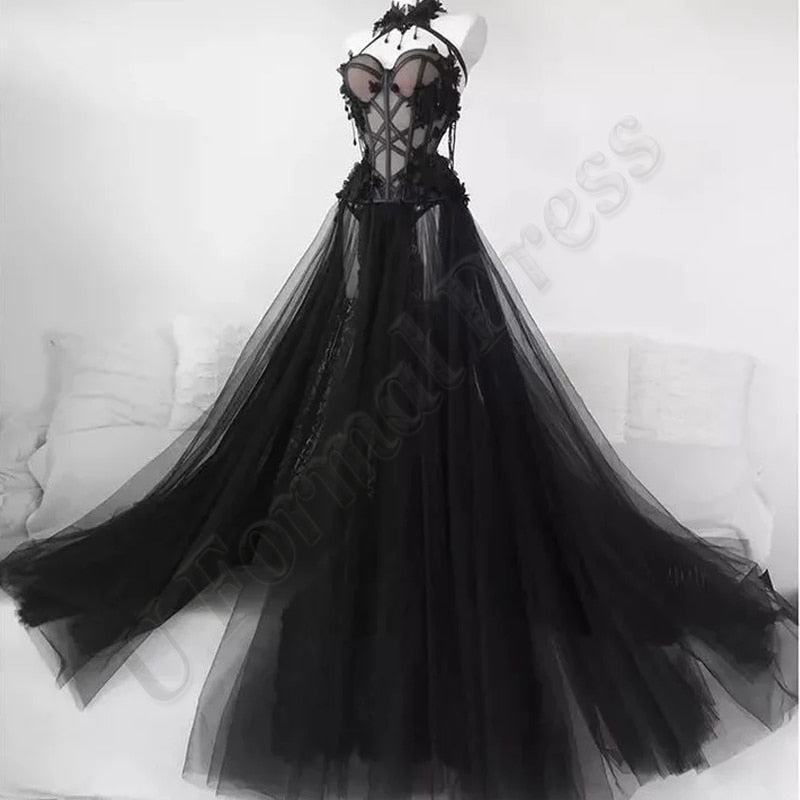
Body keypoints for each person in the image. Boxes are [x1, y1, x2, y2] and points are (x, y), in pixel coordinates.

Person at [1, 2, 797, 799]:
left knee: (439, 428)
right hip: (357, 230)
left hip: (432, 235)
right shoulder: (361, 37)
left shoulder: (466, 27)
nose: (383, 87)